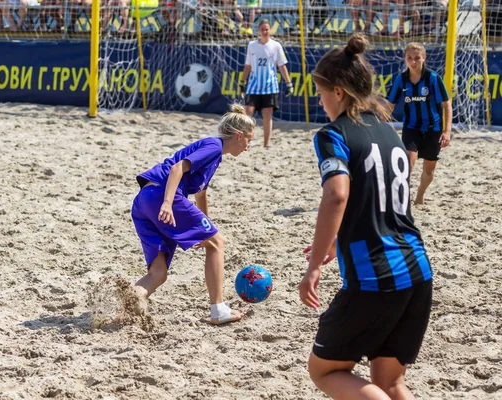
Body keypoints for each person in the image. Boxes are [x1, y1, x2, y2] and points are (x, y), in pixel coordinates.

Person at [299, 34, 433, 400]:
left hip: (376, 277)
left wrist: (313, 267)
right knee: (390, 383)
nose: (321, 101)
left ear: (339, 92)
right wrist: (330, 241)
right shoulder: (389, 132)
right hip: (418, 271)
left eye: (322, 93)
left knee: (325, 369)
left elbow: (337, 194)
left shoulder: (333, 134)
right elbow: (373, 199)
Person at [131, 104, 254, 325]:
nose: (247, 147)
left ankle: (126, 302)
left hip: (144, 200)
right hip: (161, 195)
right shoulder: (214, 146)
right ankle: (218, 310)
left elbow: (200, 194)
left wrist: (204, 229)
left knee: (158, 273)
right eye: (248, 141)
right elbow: (177, 168)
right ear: (238, 135)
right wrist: (168, 203)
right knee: (218, 243)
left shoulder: (214, 155)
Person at [387, 42, 452, 204]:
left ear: (424, 58)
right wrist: (377, 124)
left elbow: (447, 105)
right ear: (405, 59)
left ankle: (420, 195)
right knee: (408, 163)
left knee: (429, 172)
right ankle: (402, 198)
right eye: (410, 58)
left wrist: (447, 131)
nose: (413, 61)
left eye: (417, 58)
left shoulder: (433, 79)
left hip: (433, 129)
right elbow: (389, 105)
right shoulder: (400, 80)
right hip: (411, 127)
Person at [239, 19, 294, 148]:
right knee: (247, 112)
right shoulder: (252, 45)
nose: (265, 32)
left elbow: (282, 66)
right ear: (258, 30)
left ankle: (266, 143)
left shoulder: (276, 46)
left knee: (267, 114)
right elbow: (247, 65)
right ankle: (244, 141)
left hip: (270, 85)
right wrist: (242, 82)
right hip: (254, 84)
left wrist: (289, 83)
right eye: (262, 29)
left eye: (267, 29)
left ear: (270, 30)